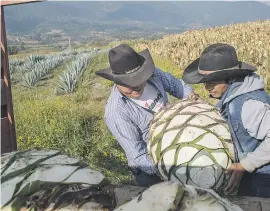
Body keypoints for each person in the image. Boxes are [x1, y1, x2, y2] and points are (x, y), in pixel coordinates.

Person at [96, 44, 198, 187]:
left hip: (174, 148)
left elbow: (176, 85)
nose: (136, 86)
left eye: (139, 79)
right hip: (151, 171)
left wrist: (192, 97)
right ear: (115, 81)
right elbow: (138, 156)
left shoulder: (153, 74)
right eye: (128, 83)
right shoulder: (116, 112)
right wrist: (170, 171)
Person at [182, 43, 270, 198]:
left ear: (230, 78)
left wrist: (245, 165)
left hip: (262, 182)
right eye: (205, 82)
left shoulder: (250, 105)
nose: (207, 87)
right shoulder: (233, 96)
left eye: (212, 81)